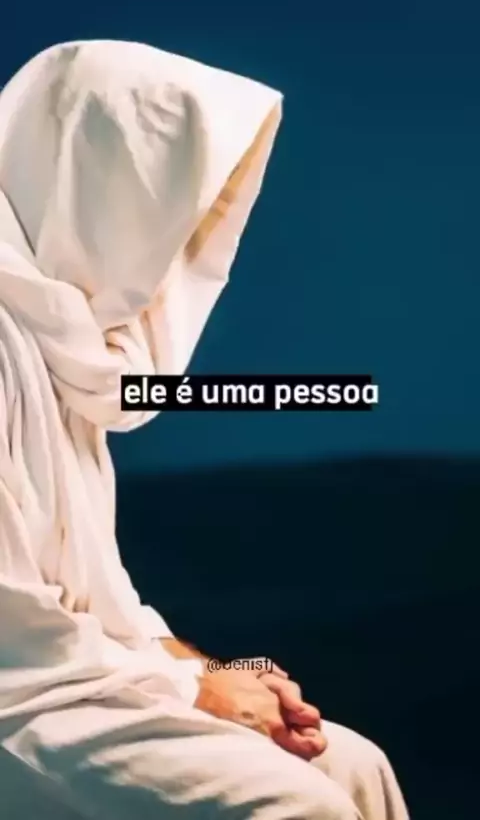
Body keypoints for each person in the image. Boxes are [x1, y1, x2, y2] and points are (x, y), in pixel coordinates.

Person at [0, 40, 409, 819]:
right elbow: (12, 631)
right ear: (96, 180)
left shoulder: (56, 347)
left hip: (62, 684)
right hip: (16, 700)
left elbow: (93, 602)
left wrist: (212, 671)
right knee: (292, 805)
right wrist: (192, 690)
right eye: (166, 203)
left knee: (355, 766)